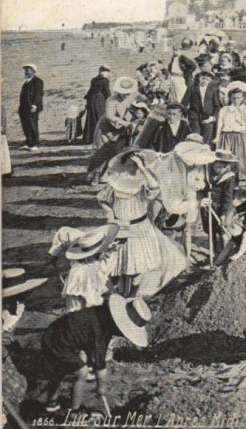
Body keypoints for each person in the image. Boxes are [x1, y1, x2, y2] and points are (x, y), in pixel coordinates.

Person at [97, 147, 188, 297]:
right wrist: (109, 213)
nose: (132, 168)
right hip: (120, 227)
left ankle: (133, 295)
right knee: (120, 263)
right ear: (123, 165)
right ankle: (118, 294)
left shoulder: (143, 182)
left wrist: (142, 167)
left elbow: (155, 187)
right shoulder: (115, 182)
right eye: (129, 165)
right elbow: (101, 198)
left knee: (138, 264)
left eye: (135, 165)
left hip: (140, 228)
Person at [38, 294, 150, 414]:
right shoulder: (100, 330)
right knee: (82, 372)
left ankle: (52, 402)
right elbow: (99, 360)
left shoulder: (102, 315)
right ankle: (75, 411)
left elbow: (92, 346)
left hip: (54, 334)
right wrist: (101, 385)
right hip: (59, 343)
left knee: (60, 369)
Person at [60, 224, 121, 312]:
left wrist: (112, 251)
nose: (103, 251)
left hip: (96, 302)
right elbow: (75, 301)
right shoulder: (78, 271)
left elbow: (105, 267)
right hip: (84, 309)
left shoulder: (94, 262)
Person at [214, 82, 246, 181]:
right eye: (233, 98)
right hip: (226, 136)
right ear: (230, 98)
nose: (236, 100)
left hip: (240, 137)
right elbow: (219, 124)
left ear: (243, 98)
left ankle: (239, 177)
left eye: (238, 98)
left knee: (240, 158)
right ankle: (226, 178)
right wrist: (217, 137)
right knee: (227, 158)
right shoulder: (224, 110)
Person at [182, 70, 221, 144]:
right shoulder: (192, 88)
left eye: (207, 79)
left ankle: (205, 151)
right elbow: (184, 103)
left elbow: (217, 106)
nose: (204, 81)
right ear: (199, 78)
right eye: (203, 78)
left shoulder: (213, 90)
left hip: (208, 117)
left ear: (210, 81)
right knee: (195, 136)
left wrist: (212, 117)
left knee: (207, 136)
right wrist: (185, 116)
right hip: (194, 116)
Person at [83, 65, 112, 145]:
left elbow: (90, 91)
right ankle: (100, 138)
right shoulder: (105, 80)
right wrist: (110, 100)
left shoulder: (94, 79)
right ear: (105, 72)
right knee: (100, 117)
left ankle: (89, 138)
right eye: (107, 72)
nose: (108, 74)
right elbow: (107, 92)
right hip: (100, 100)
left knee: (91, 118)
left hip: (91, 99)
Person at [18, 63, 44, 151]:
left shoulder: (37, 81)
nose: (25, 72)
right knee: (25, 125)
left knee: (33, 125)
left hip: (33, 108)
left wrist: (34, 105)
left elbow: (39, 94)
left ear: (33, 71)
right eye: (25, 70)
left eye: (27, 70)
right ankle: (29, 143)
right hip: (24, 108)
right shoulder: (26, 82)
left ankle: (36, 144)